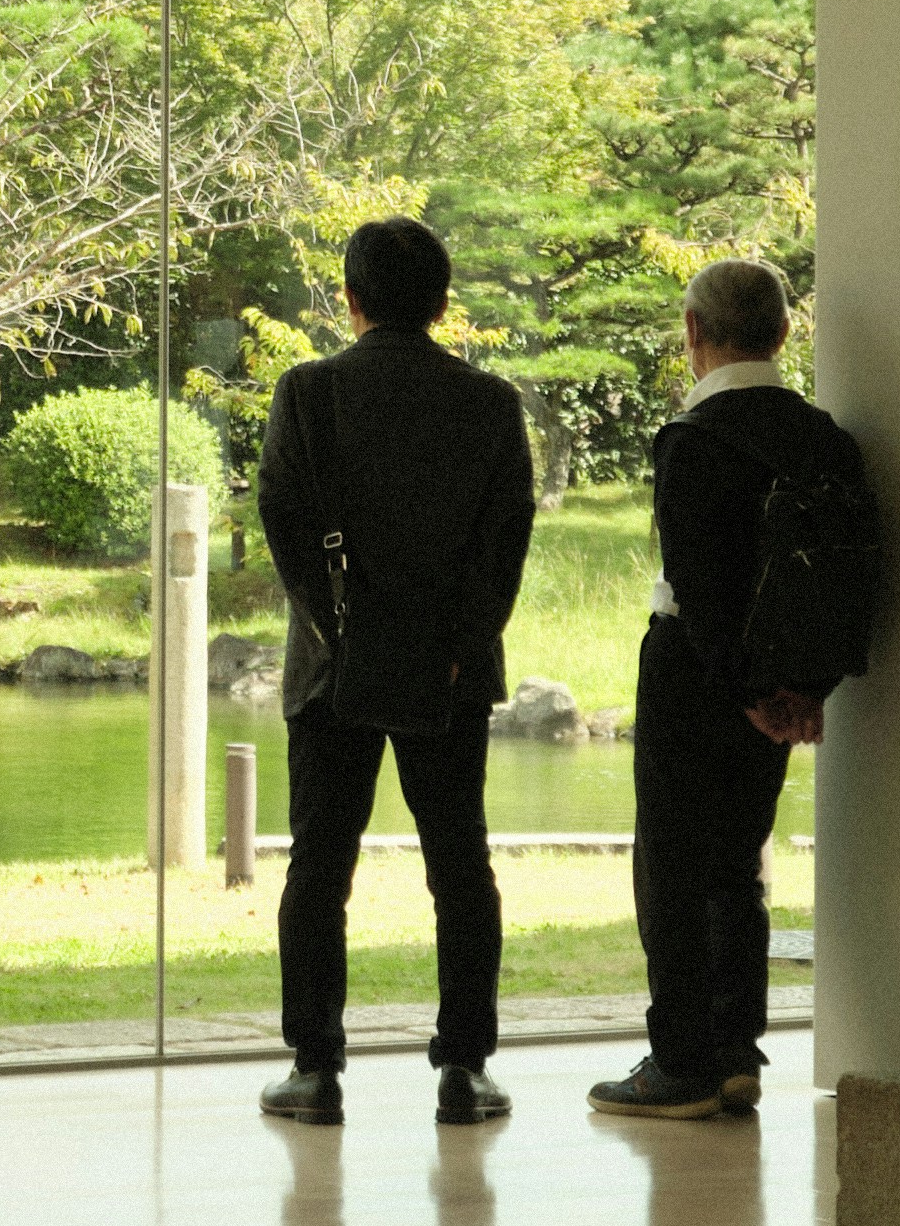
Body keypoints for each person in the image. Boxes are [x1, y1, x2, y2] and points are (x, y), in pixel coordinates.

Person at [253, 215, 538, 1131]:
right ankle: (464, 1069)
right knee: (459, 865)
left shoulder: (308, 392)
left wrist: (333, 627)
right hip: (449, 669)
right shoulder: (489, 402)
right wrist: (461, 640)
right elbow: (505, 542)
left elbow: (283, 520)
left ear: (351, 298)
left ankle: (315, 1069)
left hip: (331, 667)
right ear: (443, 303)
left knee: (318, 865)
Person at [590, 256, 843, 1127]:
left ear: (694, 332)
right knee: (738, 862)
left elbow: (698, 591)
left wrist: (742, 689)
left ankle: (681, 1062)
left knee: (670, 865)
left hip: (694, 674)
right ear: (782, 332)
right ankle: (736, 1050)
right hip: (785, 684)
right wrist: (800, 689)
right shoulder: (823, 437)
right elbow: (844, 577)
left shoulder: (693, 439)